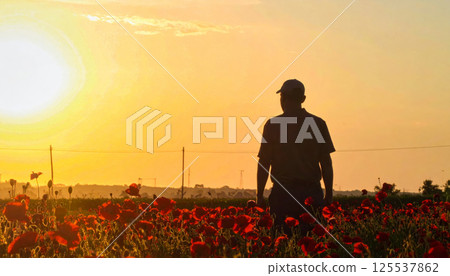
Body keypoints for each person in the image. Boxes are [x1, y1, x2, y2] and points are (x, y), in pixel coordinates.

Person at [256, 79, 335, 231]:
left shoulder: (273, 125)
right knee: (312, 245)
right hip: (311, 194)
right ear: (303, 99)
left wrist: (259, 196)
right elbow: (326, 163)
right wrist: (329, 195)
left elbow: (264, 163)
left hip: (282, 195)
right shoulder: (318, 124)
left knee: (283, 242)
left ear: (282, 98)